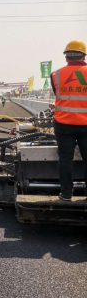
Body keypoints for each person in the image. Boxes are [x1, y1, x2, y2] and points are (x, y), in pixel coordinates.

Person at [51, 40, 87, 201]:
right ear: (84, 56)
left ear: (66, 57)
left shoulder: (56, 75)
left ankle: (66, 194)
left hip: (64, 124)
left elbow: (58, 94)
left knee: (65, 159)